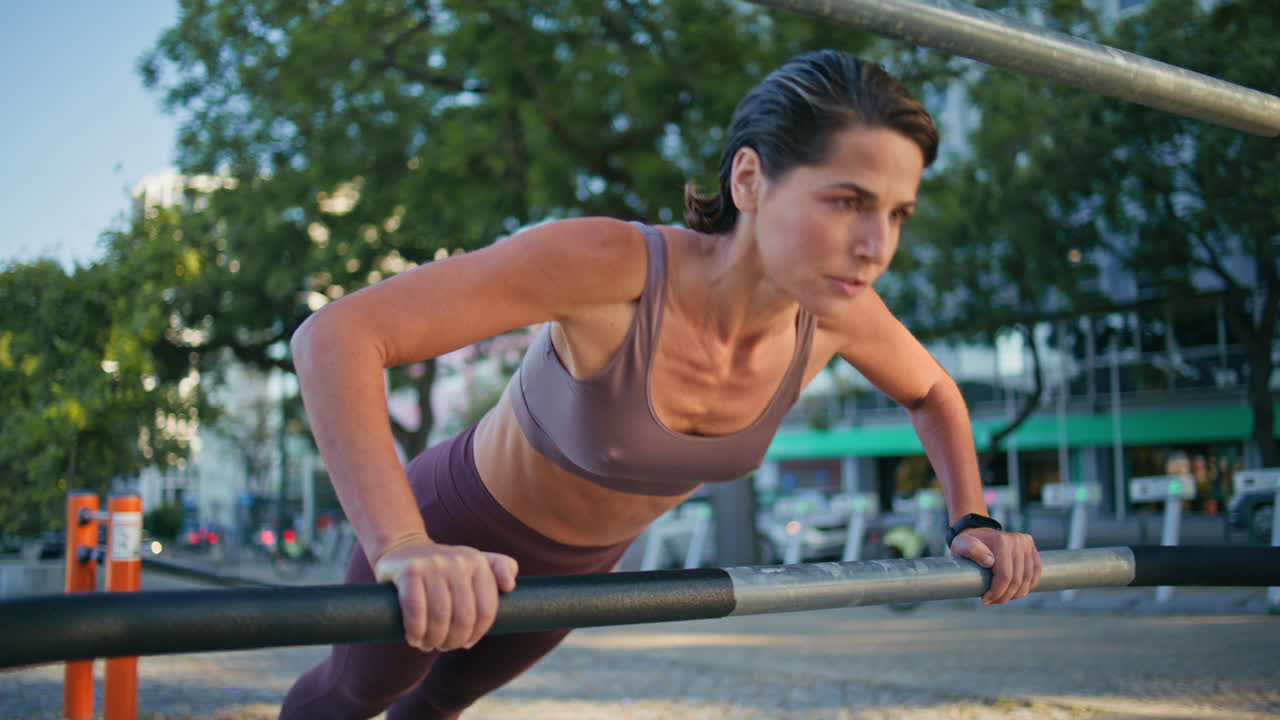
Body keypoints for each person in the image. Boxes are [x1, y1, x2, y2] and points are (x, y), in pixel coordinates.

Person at [279, 49, 1042, 720]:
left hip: (580, 568)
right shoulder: (612, 266)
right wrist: (405, 544)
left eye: (898, 213)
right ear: (750, 177)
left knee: (440, 704)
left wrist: (969, 515)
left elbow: (933, 392)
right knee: (352, 700)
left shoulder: (841, 313)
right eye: (847, 202)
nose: (877, 247)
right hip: (452, 523)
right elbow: (336, 337)